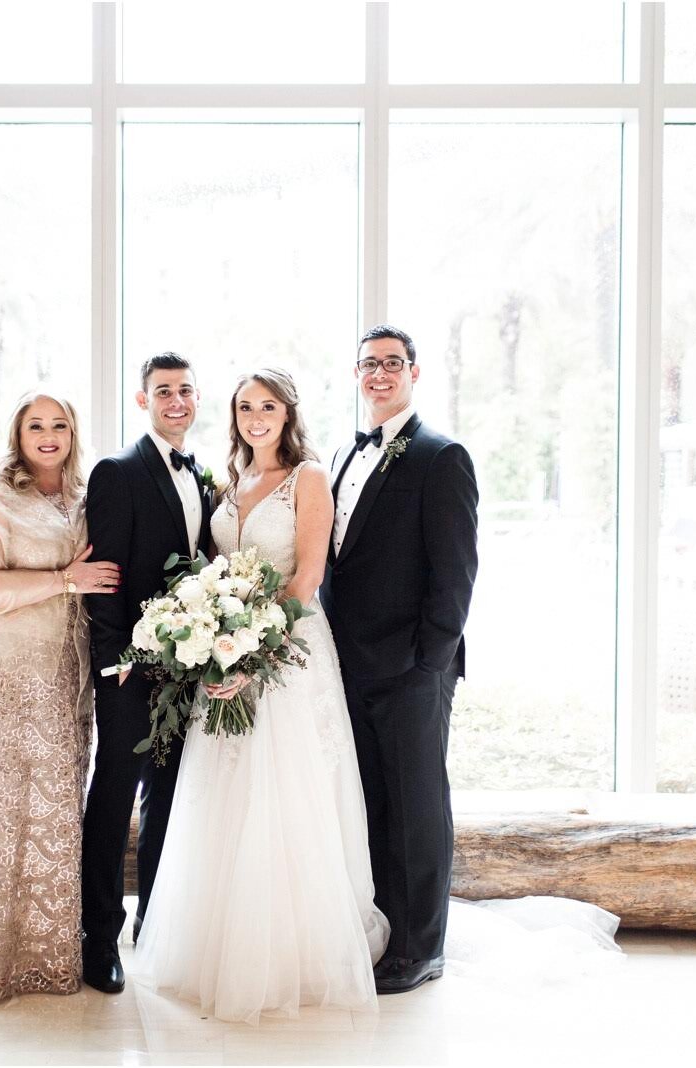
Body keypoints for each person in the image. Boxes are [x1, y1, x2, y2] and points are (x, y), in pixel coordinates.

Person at [133, 368, 389, 1024]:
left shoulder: (307, 478)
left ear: (287, 412)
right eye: (245, 406)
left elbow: (306, 577)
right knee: (225, 792)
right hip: (225, 653)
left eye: (267, 405)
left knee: (288, 791)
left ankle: (292, 954)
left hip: (290, 653)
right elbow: (215, 571)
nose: (255, 416)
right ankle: (216, 944)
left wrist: (254, 654)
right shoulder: (230, 481)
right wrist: (213, 637)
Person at [0, 390, 121, 1002]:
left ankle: (45, 953)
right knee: (0, 812)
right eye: (35, 425)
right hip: (5, 676)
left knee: (55, 814)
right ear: (17, 435)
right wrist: (64, 580)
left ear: (73, 433)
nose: (48, 435)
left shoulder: (79, 500)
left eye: (59, 424)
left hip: (64, 682)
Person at [320, 325, 479, 994]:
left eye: (391, 364)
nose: (379, 375)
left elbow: (457, 572)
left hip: (413, 669)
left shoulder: (441, 456)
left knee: (418, 806)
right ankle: (389, 933)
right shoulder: (340, 454)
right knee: (375, 804)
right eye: (368, 365)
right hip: (349, 665)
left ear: (414, 372)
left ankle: (424, 947)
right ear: (356, 376)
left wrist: (429, 662)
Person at [80, 352, 215, 995]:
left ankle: (153, 921)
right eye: (164, 391)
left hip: (185, 670)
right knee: (113, 796)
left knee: (167, 796)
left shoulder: (205, 478)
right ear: (143, 401)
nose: (177, 401)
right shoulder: (117, 472)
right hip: (130, 672)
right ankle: (97, 939)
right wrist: (116, 665)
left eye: (186, 390)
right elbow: (103, 584)